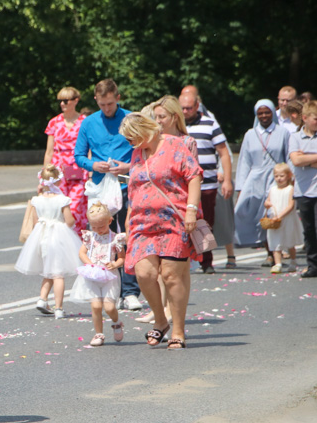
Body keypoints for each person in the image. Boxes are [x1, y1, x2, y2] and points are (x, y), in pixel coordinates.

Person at [120, 113, 202, 350]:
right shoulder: (138, 153)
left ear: (146, 130)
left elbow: (194, 175)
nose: (131, 144)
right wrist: (128, 220)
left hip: (173, 221)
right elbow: (135, 188)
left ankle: (177, 330)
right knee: (144, 272)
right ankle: (160, 319)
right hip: (142, 224)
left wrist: (191, 210)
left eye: (133, 138)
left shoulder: (174, 144)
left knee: (171, 275)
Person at [73, 79, 142, 310]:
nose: (107, 109)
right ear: (96, 100)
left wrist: (128, 167)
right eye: (102, 104)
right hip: (101, 188)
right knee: (103, 238)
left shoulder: (131, 118)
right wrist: (94, 165)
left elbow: (143, 150)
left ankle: (130, 291)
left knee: (127, 236)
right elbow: (79, 156)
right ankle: (105, 286)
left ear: (118, 98)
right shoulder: (89, 123)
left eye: (110, 104)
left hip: (126, 184)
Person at [14, 165, 81, 319]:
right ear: (58, 181)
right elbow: (69, 220)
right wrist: (67, 225)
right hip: (58, 236)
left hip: (42, 236)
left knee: (49, 270)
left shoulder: (37, 200)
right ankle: (58, 308)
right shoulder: (62, 200)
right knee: (58, 274)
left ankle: (42, 299)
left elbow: (36, 220)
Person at [179, 90, 233, 274]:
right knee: (183, 221)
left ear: (196, 106)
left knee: (205, 223)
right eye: (182, 108)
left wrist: (227, 179)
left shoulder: (210, 123)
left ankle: (207, 261)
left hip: (207, 183)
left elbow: (224, 152)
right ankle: (185, 259)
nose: (185, 111)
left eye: (188, 108)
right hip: (183, 184)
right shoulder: (177, 125)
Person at [233, 100, 291, 258]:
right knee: (252, 214)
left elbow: (288, 157)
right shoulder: (250, 135)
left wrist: (289, 180)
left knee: (272, 212)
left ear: (273, 112)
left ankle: (274, 252)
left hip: (276, 178)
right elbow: (244, 161)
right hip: (255, 179)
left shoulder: (283, 133)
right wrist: (241, 187)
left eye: (267, 112)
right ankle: (267, 248)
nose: (264, 116)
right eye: (260, 113)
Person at [69, 203, 126, 347]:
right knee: (95, 306)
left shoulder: (115, 239)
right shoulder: (90, 237)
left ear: (109, 221)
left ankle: (116, 322)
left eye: (101, 226)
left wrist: (115, 264)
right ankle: (99, 333)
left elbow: (122, 258)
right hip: (92, 274)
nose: (97, 230)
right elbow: (82, 252)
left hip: (109, 276)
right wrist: (89, 263)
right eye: (94, 227)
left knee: (109, 307)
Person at [43, 86, 88, 233]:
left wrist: (90, 172)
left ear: (76, 101)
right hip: (58, 172)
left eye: (66, 101)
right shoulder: (54, 122)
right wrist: (44, 176)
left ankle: (78, 245)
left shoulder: (84, 122)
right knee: (59, 210)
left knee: (75, 209)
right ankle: (61, 245)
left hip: (78, 170)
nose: (62, 104)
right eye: (60, 101)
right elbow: (49, 151)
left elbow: (90, 149)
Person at [288, 101, 317, 278]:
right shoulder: (295, 137)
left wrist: (305, 156)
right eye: (315, 118)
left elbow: (300, 159)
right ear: (305, 118)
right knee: (309, 230)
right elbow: (296, 161)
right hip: (303, 190)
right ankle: (313, 265)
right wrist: (308, 159)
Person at [264, 163, 303, 273]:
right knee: (275, 241)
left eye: (281, 176)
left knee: (289, 240)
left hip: (287, 218)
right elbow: (267, 201)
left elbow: (291, 206)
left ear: (288, 176)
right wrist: (267, 204)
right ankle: (278, 263)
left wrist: (280, 216)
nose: (279, 179)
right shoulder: (273, 189)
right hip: (274, 218)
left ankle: (293, 260)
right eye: (276, 176)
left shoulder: (290, 189)